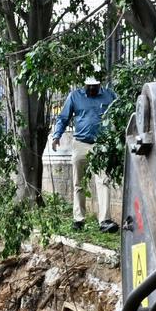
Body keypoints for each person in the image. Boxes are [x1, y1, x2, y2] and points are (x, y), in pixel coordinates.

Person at [52, 75, 119, 233]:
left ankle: (104, 220)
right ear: (84, 85)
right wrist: (56, 136)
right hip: (81, 143)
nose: (91, 89)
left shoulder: (110, 95)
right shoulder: (75, 96)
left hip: (102, 145)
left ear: (99, 84)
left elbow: (119, 114)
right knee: (78, 183)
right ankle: (78, 219)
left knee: (103, 181)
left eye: (94, 86)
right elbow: (63, 117)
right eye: (88, 86)